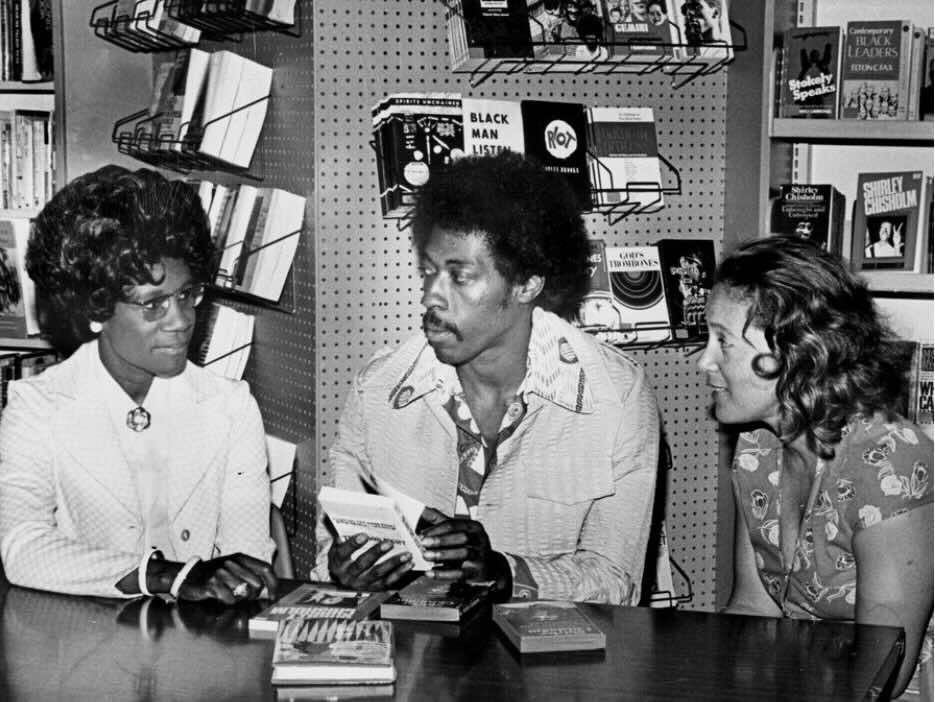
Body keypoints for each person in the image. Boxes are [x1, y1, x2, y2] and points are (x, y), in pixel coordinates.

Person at [313, 151, 660, 605]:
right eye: (430, 272)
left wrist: (508, 573)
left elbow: (618, 580)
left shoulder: (616, 396)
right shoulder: (377, 390)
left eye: (460, 277)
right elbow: (328, 555)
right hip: (415, 660)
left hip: (544, 669)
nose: (431, 296)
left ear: (526, 285)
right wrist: (343, 569)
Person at [0, 165, 277, 604]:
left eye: (187, 294)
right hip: (88, 653)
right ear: (95, 309)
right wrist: (167, 575)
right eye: (153, 305)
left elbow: (246, 556)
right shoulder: (37, 408)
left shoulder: (231, 407)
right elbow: (23, 549)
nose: (182, 320)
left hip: (201, 654)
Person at [698, 236, 933, 699]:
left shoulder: (889, 460)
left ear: (796, 350)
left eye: (723, 341)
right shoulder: (755, 451)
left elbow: (882, 670)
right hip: (804, 682)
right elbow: (754, 609)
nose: (705, 361)